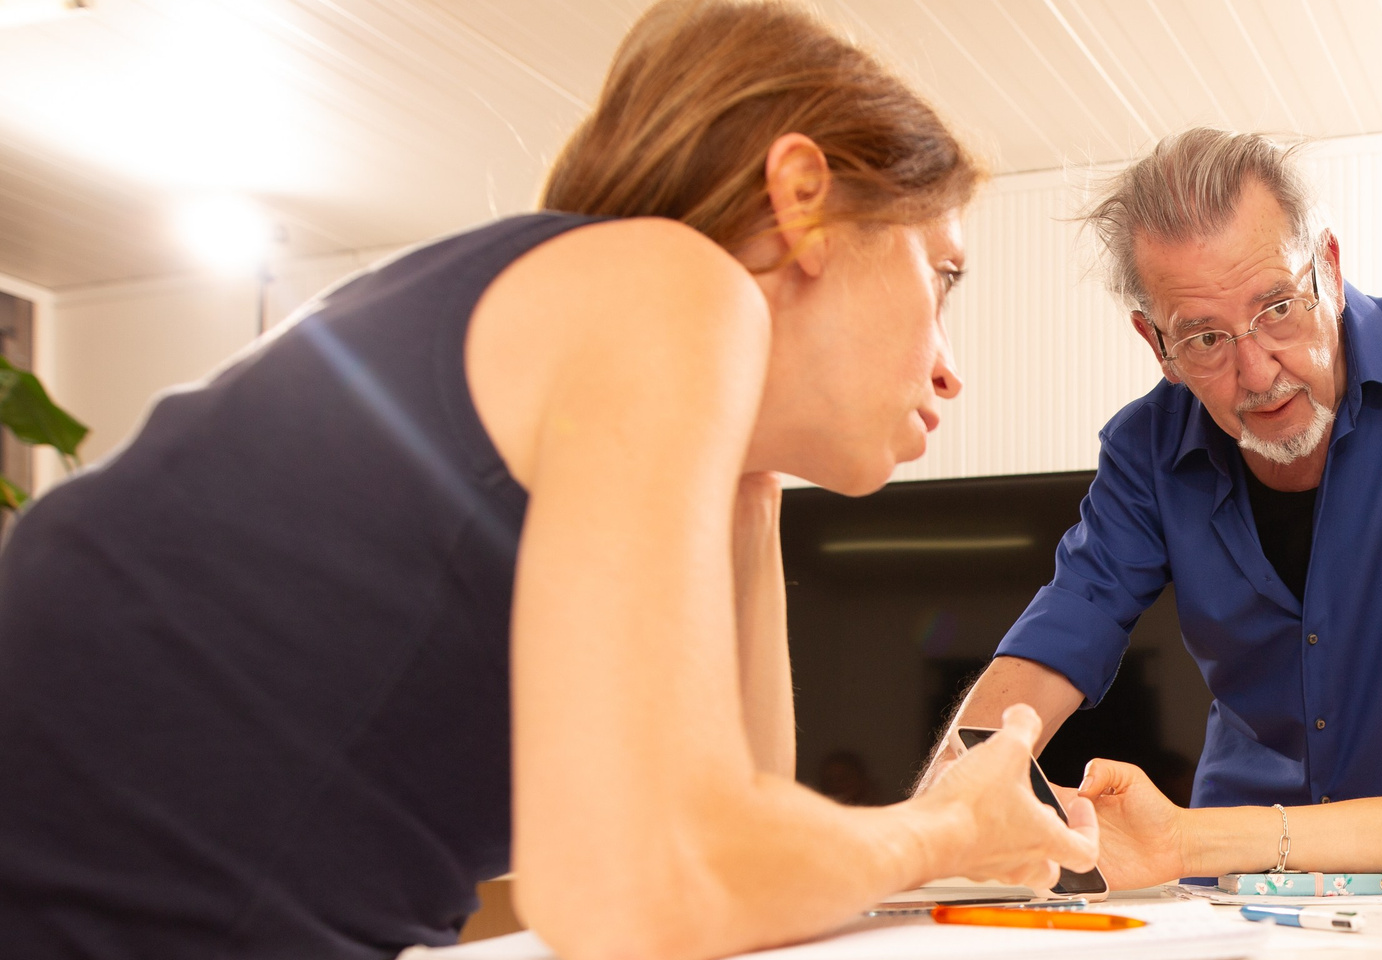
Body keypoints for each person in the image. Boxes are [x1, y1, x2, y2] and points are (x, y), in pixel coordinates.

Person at [0, 3, 1095, 958]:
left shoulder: (625, 359)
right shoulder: (663, 281)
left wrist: (754, 474)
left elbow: (737, 862)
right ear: (800, 197)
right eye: (942, 273)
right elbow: (647, 890)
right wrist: (950, 830)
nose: (950, 360)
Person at [923, 129, 1382, 887]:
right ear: (1158, 347)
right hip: (1229, 875)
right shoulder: (1145, 452)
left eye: (1278, 306)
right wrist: (937, 821)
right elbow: (1064, 630)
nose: (1257, 369)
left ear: (1331, 271)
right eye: (1206, 339)